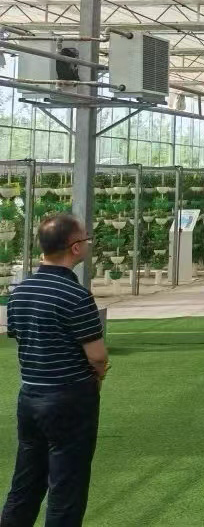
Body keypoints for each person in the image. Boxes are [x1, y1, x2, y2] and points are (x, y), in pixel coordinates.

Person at [1, 214, 108, 527]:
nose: (88, 244)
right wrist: (99, 375)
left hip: (30, 397)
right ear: (75, 248)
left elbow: (20, 335)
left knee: (26, 482)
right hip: (69, 400)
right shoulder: (76, 296)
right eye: (86, 239)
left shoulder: (19, 292)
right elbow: (97, 356)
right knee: (66, 488)